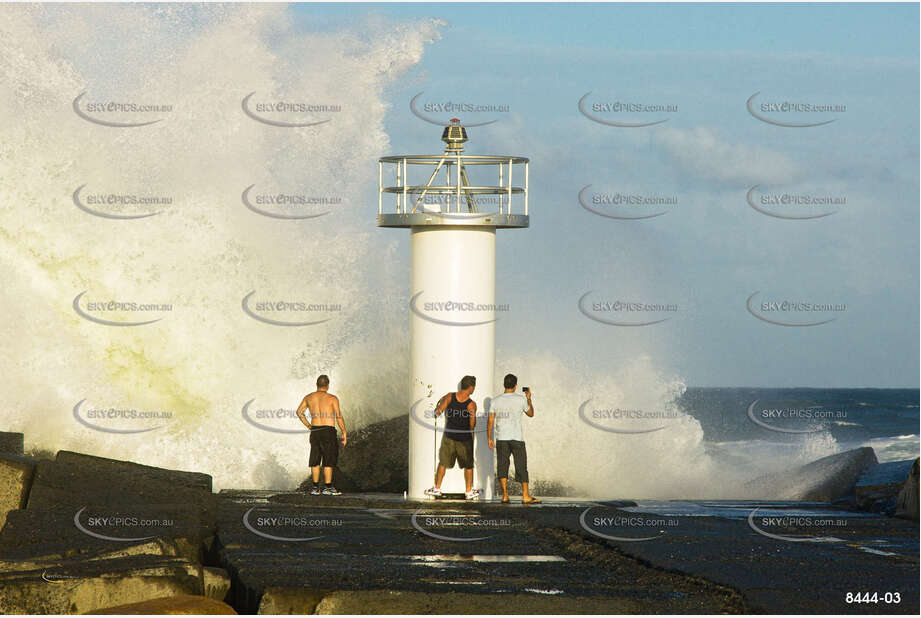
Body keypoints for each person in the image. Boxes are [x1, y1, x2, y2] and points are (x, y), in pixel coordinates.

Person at [424, 375, 480, 500]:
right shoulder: (471, 405)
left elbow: (438, 411)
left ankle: (437, 488)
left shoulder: (450, 396)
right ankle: (469, 491)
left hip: (449, 436)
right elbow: (472, 424)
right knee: (468, 465)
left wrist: (440, 404)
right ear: (470, 387)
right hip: (464, 439)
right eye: (474, 386)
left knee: (443, 463)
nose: (474, 388)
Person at [488, 373, 539, 504]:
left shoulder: (495, 400)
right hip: (517, 438)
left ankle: (505, 495)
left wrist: (489, 437)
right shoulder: (521, 399)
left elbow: (491, 420)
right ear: (515, 386)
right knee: (521, 466)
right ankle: (526, 496)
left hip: (502, 438)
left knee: (502, 466)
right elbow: (531, 414)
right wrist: (529, 398)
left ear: (504, 384)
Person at [295, 374, 347, 496]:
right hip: (328, 430)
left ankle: (315, 487)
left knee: (315, 459)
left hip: (315, 430)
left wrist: (309, 426)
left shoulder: (309, 397)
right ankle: (328, 488)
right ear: (328, 385)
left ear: (317, 384)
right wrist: (344, 432)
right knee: (328, 459)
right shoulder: (332, 398)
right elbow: (338, 416)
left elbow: (299, 412)